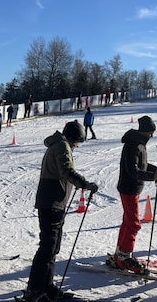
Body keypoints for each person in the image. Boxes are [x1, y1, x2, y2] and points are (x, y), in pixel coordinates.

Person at [22, 121, 99, 302]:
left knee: (52, 247)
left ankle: (46, 287)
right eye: (78, 142)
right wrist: (84, 184)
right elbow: (67, 170)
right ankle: (35, 290)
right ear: (74, 137)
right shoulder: (63, 146)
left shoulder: (58, 144)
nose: (77, 146)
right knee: (48, 247)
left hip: (53, 201)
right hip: (52, 201)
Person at [110, 115, 157, 273]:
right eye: (150, 132)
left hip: (131, 188)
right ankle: (125, 256)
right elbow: (133, 171)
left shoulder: (138, 143)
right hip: (129, 188)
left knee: (128, 221)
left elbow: (142, 165)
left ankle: (120, 254)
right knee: (133, 223)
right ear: (145, 131)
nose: (152, 136)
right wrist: (151, 176)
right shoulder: (134, 144)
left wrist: (154, 170)